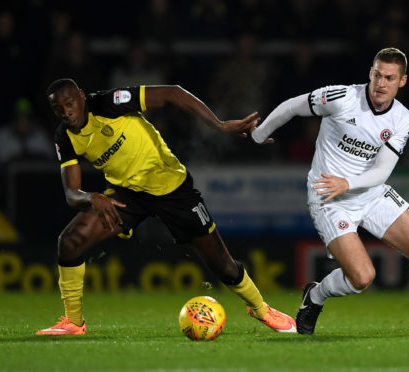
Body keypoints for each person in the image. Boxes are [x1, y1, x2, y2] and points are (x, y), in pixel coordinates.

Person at [249, 47, 409, 336]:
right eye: (376, 75)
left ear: (402, 82)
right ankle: (315, 295)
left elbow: (382, 172)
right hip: (329, 197)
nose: (380, 84)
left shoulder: (402, 118)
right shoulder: (342, 97)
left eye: (389, 78)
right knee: (362, 278)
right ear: (369, 73)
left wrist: (348, 183)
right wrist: (259, 135)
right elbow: (292, 106)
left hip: (368, 192)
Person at [36, 78, 296, 335]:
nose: (65, 112)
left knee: (223, 266)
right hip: (127, 195)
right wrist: (92, 197)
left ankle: (262, 310)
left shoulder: (110, 102)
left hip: (172, 189)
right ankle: (73, 322)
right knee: (70, 241)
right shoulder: (65, 136)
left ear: (81, 96)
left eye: (69, 103)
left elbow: (172, 92)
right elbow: (71, 194)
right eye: (58, 109)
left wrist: (217, 124)